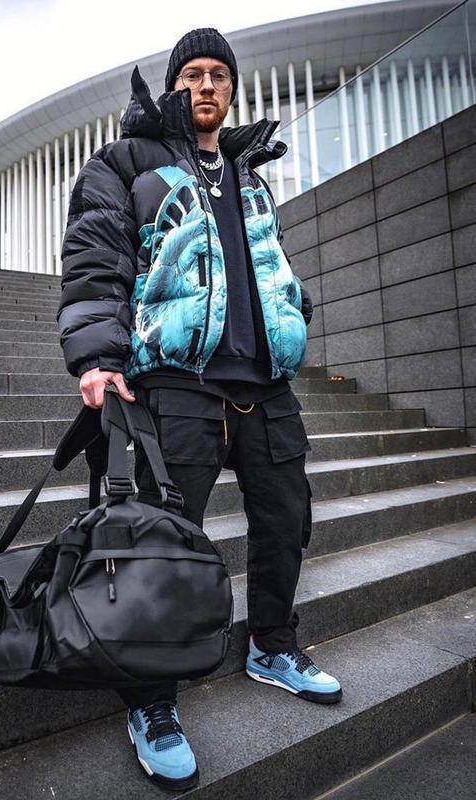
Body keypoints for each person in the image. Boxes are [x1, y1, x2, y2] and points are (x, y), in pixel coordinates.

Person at [57, 27, 342, 792]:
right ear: (173, 87)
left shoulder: (250, 175)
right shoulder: (127, 163)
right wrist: (97, 357)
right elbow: (95, 257)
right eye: (192, 73)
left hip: (265, 384)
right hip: (177, 382)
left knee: (285, 521)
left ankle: (271, 645)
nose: (207, 84)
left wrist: (291, 312)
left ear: (231, 88)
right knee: (160, 541)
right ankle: (150, 700)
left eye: (219, 73)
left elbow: (267, 264)